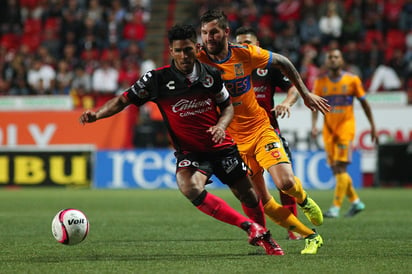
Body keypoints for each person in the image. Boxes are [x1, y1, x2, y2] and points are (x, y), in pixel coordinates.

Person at [79, 24, 283, 256]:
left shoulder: (211, 75)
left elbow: (227, 107)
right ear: (171, 51)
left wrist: (221, 125)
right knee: (189, 187)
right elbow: (123, 100)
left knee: (248, 194)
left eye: (188, 50)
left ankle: (265, 237)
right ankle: (250, 227)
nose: (184, 55)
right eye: (178, 50)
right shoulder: (156, 79)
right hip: (190, 152)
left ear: (196, 49)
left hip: (221, 146)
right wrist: (97, 114)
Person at [198, 9, 330, 255]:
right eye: (204, 33)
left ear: (226, 32)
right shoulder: (198, 59)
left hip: (259, 129)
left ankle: (304, 200)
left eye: (213, 32)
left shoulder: (245, 54)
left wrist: (305, 93)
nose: (209, 37)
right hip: (233, 142)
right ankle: (311, 236)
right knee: (265, 202)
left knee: (286, 182)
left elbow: (284, 62)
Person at [235, 26, 302, 241]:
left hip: (268, 131)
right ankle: (260, 230)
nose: (244, 47)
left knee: (285, 185)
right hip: (241, 137)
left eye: (248, 43)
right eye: (240, 43)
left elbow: (293, 88)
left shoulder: (267, 68)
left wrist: (286, 102)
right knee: (251, 191)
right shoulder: (229, 70)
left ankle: (294, 229)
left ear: (257, 46)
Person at [311, 48, 379, 218]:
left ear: (341, 60)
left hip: (345, 129)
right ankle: (356, 202)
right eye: (330, 57)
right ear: (327, 61)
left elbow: (365, 104)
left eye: (336, 57)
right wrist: (314, 125)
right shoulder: (320, 82)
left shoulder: (352, 80)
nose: (333, 60)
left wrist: (373, 126)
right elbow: (314, 106)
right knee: (336, 169)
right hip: (328, 130)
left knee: (341, 166)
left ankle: (335, 207)